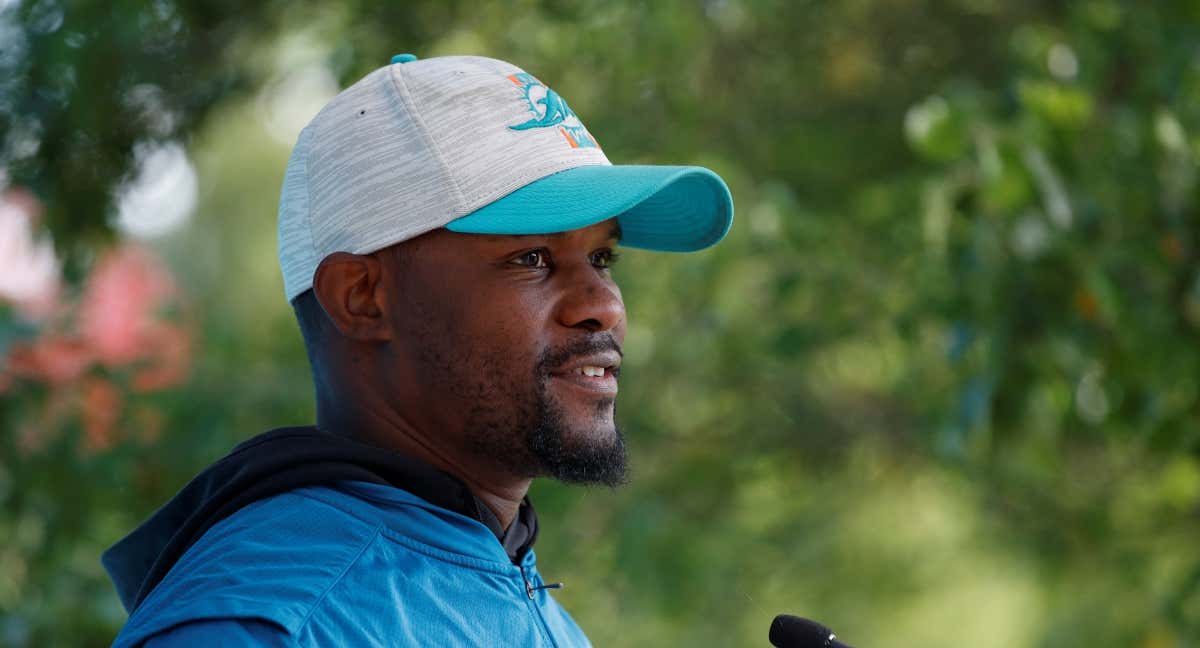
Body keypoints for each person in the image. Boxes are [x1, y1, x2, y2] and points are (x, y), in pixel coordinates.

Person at [102, 53, 733, 647]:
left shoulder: (525, 596)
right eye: (532, 259)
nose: (605, 306)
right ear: (362, 297)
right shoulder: (268, 626)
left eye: (602, 257)